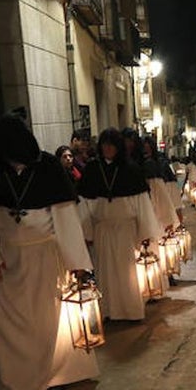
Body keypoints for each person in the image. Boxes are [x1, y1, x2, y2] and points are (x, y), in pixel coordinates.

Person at [0, 114, 97, 390]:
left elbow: (65, 218)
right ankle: (7, 380)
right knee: (7, 323)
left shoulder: (48, 165)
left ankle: (56, 374)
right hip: (8, 258)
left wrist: (77, 263)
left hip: (45, 256)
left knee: (48, 321)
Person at [76, 129, 163, 321]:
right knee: (104, 271)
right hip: (102, 229)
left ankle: (130, 310)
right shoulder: (92, 170)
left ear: (118, 147)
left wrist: (145, 232)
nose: (108, 148)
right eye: (104, 144)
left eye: (111, 144)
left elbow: (142, 203)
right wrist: (87, 233)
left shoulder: (131, 169)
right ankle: (107, 311)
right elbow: (84, 204)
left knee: (128, 272)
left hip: (126, 229)